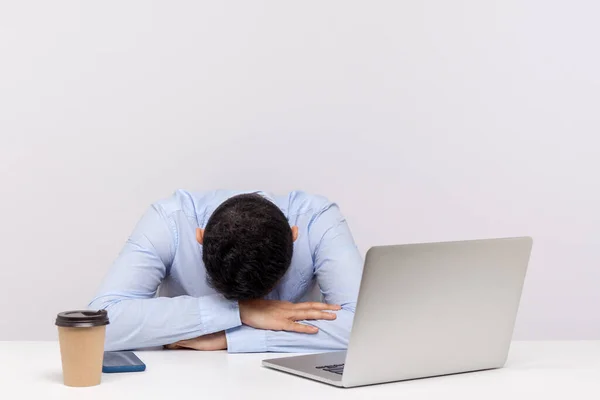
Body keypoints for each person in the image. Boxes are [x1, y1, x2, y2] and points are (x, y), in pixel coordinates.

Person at [89, 190, 363, 353]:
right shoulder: (169, 222)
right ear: (200, 238)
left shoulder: (317, 220)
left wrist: (230, 337)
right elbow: (99, 327)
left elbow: (367, 328)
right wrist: (240, 312)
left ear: (294, 237)